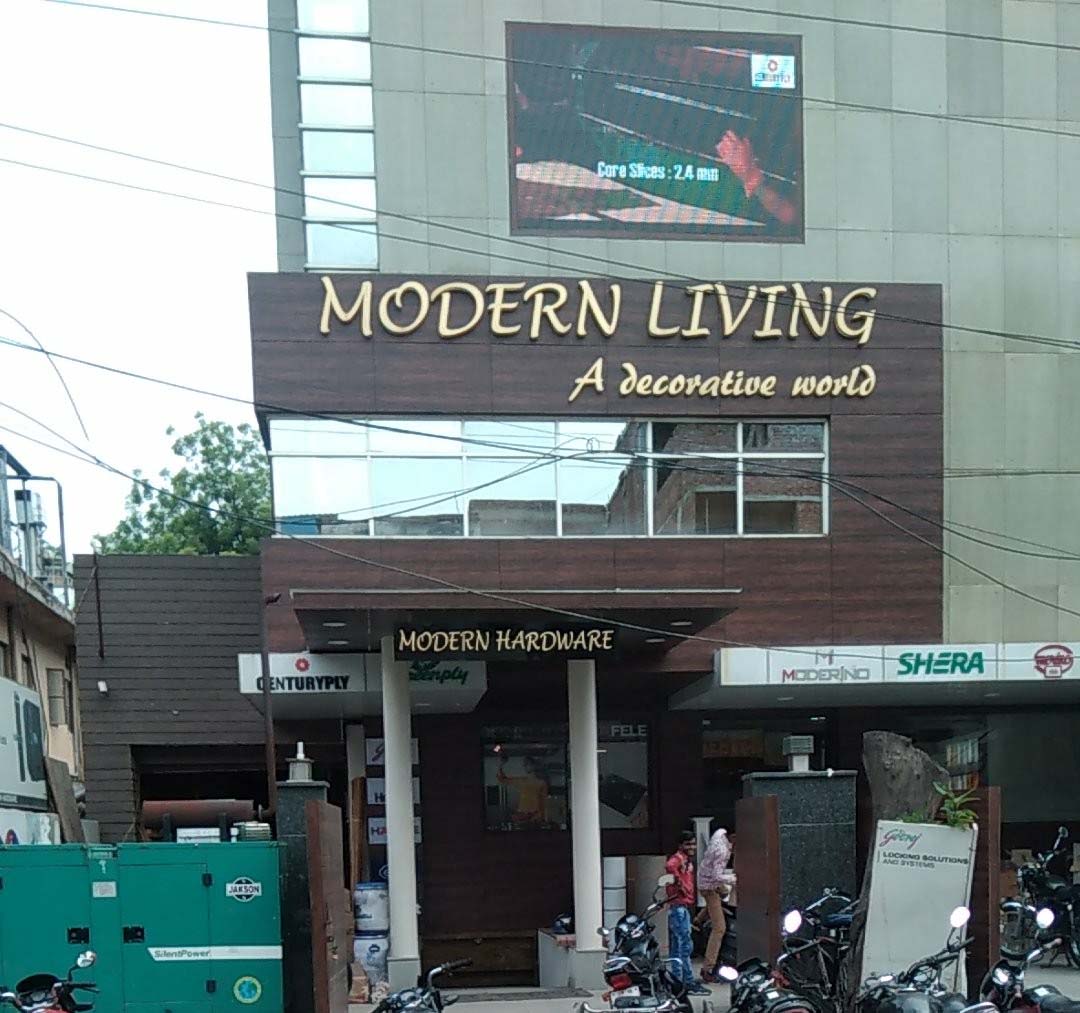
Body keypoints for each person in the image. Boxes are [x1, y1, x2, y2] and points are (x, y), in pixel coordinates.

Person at [666, 831, 710, 996]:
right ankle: (688, 982)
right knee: (684, 946)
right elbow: (670, 866)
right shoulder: (678, 859)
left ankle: (678, 981)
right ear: (680, 845)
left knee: (679, 946)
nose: (692, 847)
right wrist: (680, 884)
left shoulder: (684, 860)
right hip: (679, 906)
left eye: (693, 843)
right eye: (688, 844)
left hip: (680, 907)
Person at [696, 827, 737, 982]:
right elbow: (716, 876)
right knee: (719, 928)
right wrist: (734, 879)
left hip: (704, 879)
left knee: (724, 894)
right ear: (733, 836)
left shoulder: (719, 834)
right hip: (709, 886)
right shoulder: (722, 851)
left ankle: (698, 920)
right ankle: (708, 968)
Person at [496, 755, 550, 827]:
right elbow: (502, 779)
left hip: (535, 818)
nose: (524, 766)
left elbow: (544, 802)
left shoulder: (541, 783)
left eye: (527, 764)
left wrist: (543, 819)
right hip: (523, 817)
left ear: (534, 765)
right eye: (524, 765)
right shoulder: (523, 781)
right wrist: (500, 765)